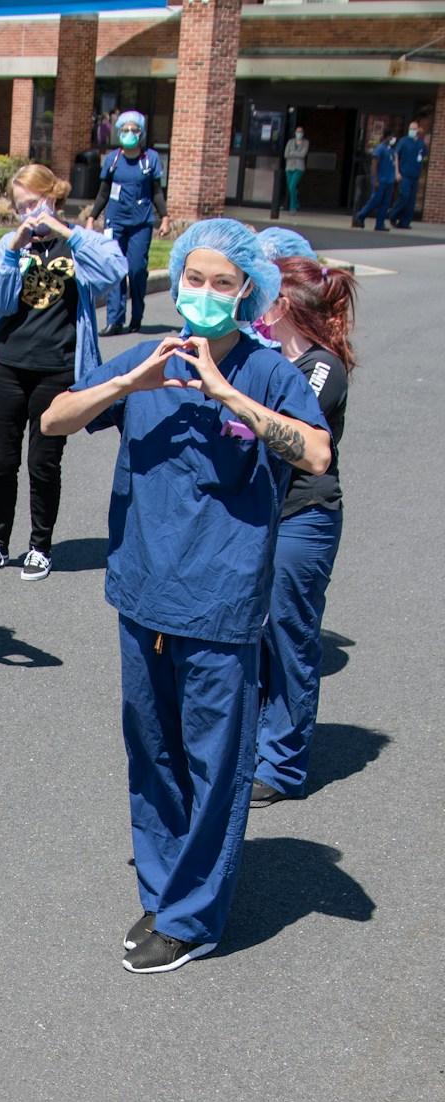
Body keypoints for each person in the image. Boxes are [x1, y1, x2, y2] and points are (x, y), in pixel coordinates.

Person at [40, 218, 331, 974]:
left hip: (220, 601)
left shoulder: (266, 373)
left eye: (221, 283)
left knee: (215, 757)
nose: (203, 294)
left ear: (247, 294)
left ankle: (194, 915)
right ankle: (164, 886)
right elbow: (54, 418)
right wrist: (128, 382)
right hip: (142, 590)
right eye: (193, 279)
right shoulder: (148, 360)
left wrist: (227, 394)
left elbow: (318, 451)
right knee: (151, 749)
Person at [0, 163, 127, 583]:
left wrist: (66, 232)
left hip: (58, 370)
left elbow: (114, 271)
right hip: (6, 366)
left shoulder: (80, 244)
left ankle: (40, 547)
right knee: (0, 462)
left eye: (35, 203)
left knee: (44, 463)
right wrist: (13, 248)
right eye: (21, 206)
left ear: (53, 198)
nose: (29, 213)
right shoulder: (11, 245)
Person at [251, 256, 357, 807]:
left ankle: (283, 765)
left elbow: (291, 428)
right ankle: (254, 745)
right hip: (262, 515)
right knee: (255, 637)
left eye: (263, 296)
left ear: (285, 304)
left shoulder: (322, 367)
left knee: (289, 638)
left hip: (304, 517)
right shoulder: (271, 358)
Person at [84, 110, 172, 337]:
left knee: (136, 269)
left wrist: (165, 218)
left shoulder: (150, 159)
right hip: (116, 222)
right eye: (125, 130)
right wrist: (92, 217)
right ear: (119, 132)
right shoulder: (113, 159)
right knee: (115, 270)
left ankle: (137, 316)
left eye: (134, 130)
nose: (129, 133)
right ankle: (114, 320)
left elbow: (156, 192)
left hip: (141, 222)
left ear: (141, 133)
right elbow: (103, 192)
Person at [352, 131, 396, 231]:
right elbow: (374, 163)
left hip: (389, 181)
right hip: (380, 180)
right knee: (375, 200)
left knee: (385, 203)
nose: (392, 139)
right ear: (386, 137)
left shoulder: (390, 150)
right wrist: (375, 179)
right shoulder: (380, 148)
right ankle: (360, 215)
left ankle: (380, 224)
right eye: (391, 137)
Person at [391, 121, 429, 229]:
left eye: (414, 129)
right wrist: (397, 172)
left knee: (411, 200)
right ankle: (394, 216)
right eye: (410, 129)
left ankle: (405, 222)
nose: (412, 131)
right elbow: (396, 155)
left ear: (418, 130)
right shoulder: (403, 141)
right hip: (404, 175)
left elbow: (424, 155)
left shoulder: (421, 143)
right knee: (404, 196)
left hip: (415, 176)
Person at [284, 125, 310, 213]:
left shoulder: (305, 142)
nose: (299, 133)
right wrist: (297, 153)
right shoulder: (290, 142)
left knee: (292, 186)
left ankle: (292, 207)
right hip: (289, 167)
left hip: (299, 167)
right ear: (295, 133)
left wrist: (293, 152)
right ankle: (296, 203)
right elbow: (286, 154)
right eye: (298, 132)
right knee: (291, 188)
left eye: (301, 132)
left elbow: (303, 155)